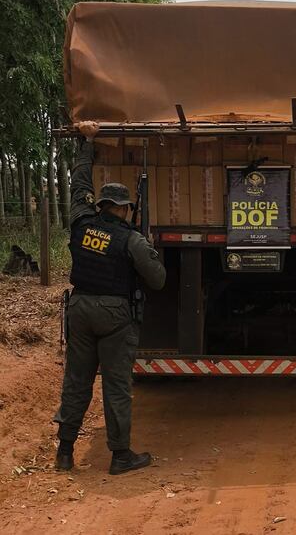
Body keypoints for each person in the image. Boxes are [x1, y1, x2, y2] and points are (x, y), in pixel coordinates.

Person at [54, 122, 166, 475]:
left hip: (80, 309)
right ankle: (120, 456)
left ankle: (65, 452)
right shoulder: (130, 239)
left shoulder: (80, 223)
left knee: (76, 381)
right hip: (115, 315)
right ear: (122, 208)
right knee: (116, 386)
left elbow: (78, 183)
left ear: (101, 204)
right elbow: (158, 281)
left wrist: (87, 142)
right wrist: (148, 248)